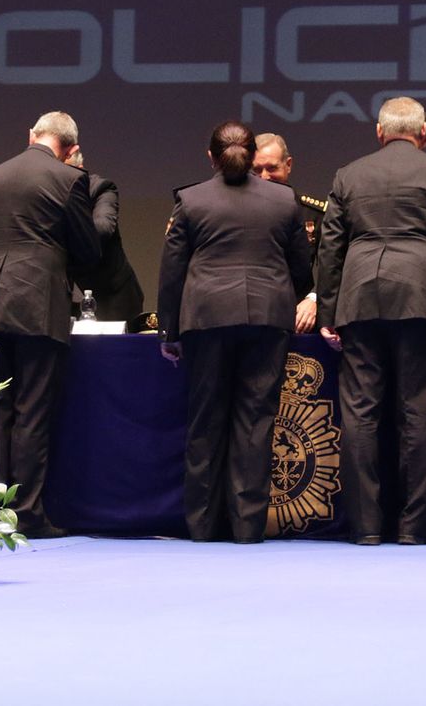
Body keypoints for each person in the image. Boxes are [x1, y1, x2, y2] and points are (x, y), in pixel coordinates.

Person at [318, 96, 426, 545]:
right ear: (425, 133)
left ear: (379, 132)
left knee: (360, 414)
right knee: (419, 412)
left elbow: (330, 250)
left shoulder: (348, 174)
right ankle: (414, 528)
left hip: (358, 296)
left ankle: (367, 527)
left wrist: (328, 312)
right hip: (421, 296)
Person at [158, 122, 313, 543]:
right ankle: (247, 527)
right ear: (251, 153)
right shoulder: (283, 199)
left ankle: (203, 528)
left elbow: (172, 273)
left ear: (210, 157)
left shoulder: (190, 200)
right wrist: (288, 296)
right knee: (255, 421)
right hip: (267, 318)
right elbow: (302, 268)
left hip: (206, 319)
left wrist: (168, 330)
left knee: (205, 421)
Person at [0, 111, 99, 538]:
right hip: (39, 304)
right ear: (70, 148)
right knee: (32, 412)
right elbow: (88, 249)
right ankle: (26, 515)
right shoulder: (69, 179)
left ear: (32, 136)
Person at [253, 131, 325, 333]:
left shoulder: (313, 213)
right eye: (256, 170)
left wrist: (314, 299)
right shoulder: (233, 213)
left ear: (288, 165)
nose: (264, 177)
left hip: (301, 316)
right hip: (251, 316)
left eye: (272, 168)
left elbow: (335, 264)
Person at [67, 149, 146, 325]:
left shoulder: (101, 188)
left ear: (80, 169)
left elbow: (103, 228)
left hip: (113, 295)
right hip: (67, 295)